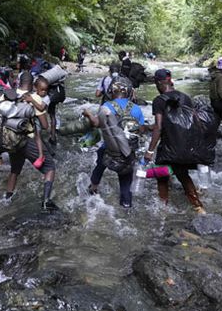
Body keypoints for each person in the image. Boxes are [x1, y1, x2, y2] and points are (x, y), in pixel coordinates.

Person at [144, 69, 205, 213]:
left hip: (169, 146)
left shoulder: (159, 100)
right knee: (183, 175)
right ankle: (199, 207)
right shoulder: (185, 97)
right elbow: (191, 122)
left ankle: (163, 208)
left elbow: (159, 127)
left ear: (159, 82)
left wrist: (150, 151)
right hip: (185, 145)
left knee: (161, 176)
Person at [82, 77, 146, 207]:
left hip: (109, 151)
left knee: (99, 166)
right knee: (125, 182)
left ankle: (93, 188)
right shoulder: (136, 109)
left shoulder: (107, 106)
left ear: (111, 91)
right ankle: (126, 205)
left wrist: (88, 115)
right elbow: (141, 130)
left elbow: (97, 124)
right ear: (129, 92)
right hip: (127, 153)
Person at [4, 72, 57, 211]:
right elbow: (45, 126)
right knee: (50, 167)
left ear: (19, 81)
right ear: (33, 85)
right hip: (27, 140)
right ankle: (46, 201)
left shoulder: (7, 94)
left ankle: (7, 198)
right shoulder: (33, 97)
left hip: (10, 138)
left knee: (14, 170)